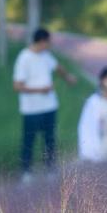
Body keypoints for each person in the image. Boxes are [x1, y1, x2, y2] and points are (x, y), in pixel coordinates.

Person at [13, 27, 77, 182]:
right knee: (29, 140)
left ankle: (50, 168)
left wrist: (67, 77)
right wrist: (40, 89)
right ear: (41, 41)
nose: (49, 45)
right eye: (48, 42)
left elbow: (57, 67)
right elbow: (17, 86)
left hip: (49, 106)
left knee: (49, 138)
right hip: (31, 109)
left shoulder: (46, 55)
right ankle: (26, 172)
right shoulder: (24, 58)